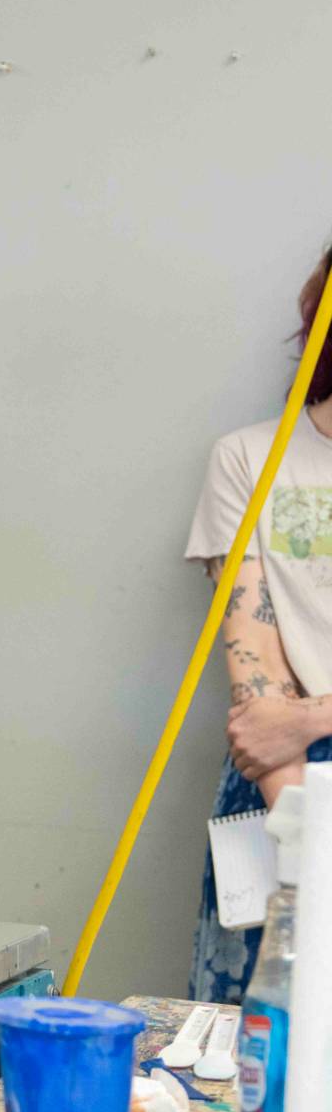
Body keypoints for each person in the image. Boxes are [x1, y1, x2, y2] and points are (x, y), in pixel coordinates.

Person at [187, 239, 332, 1002]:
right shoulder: (251, 458)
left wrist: (308, 718)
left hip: (303, 744)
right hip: (282, 788)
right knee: (250, 1066)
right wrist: (302, 829)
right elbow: (259, 700)